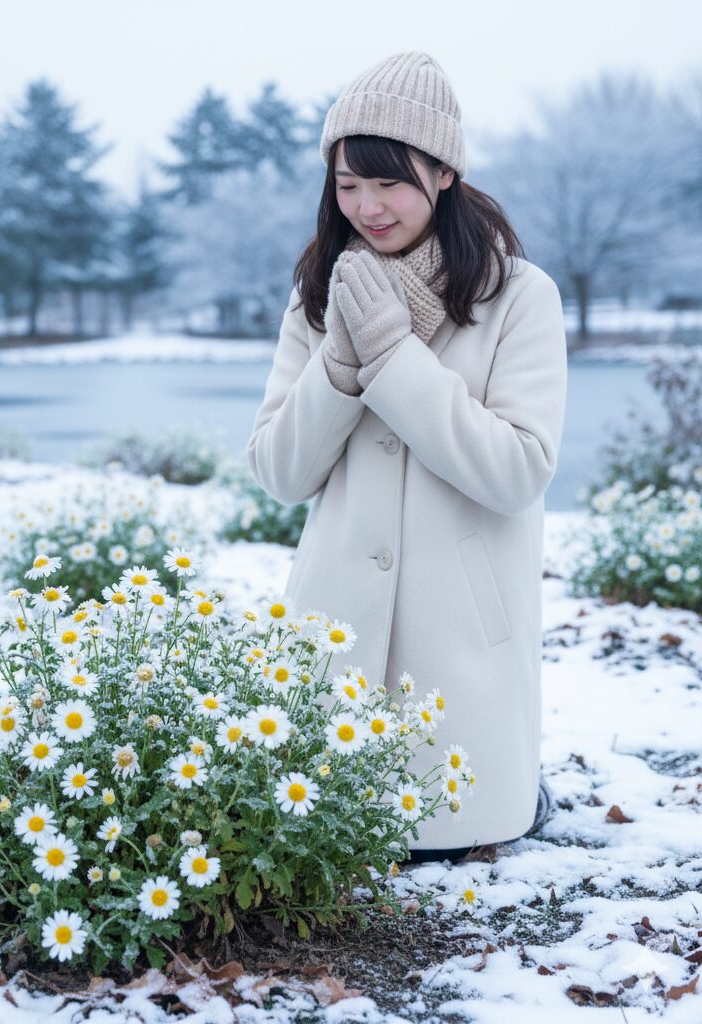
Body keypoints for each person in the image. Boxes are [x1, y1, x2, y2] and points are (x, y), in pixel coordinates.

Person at [245, 52, 566, 865]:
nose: (368, 207)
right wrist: (342, 367)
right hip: (335, 629)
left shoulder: (518, 296)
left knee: (451, 824)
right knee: (325, 830)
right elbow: (280, 473)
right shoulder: (319, 291)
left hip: (461, 640)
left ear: (444, 171)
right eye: (349, 185)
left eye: (389, 183)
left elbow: (517, 469)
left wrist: (394, 359)